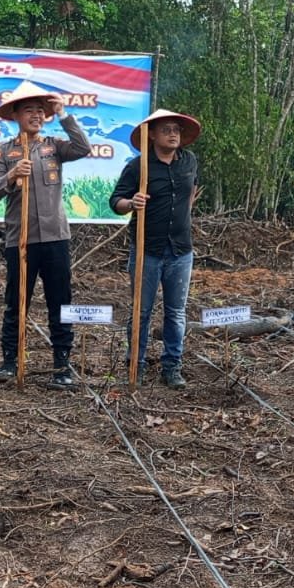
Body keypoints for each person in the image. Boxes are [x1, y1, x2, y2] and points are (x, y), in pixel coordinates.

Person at [0, 81, 91, 389]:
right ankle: (10, 361)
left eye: (40, 111)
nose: (36, 115)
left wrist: (64, 114)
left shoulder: (54, 146)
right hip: (20, 240)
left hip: (56, 237)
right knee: (16, 301)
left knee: (61, 301)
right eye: (28, 110)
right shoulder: (4, 151)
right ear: (15, 115)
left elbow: (83, 148)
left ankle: (62, 363)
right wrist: (11, 175)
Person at [110, 109, 202, 390]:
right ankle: (135, 364)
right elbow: (115, 201)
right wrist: (131, 203)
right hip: (147, 250)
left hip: (181, 251)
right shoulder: (139, 167)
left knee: (176, 312)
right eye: (166, 130)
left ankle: (172, 366)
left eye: (176, 130)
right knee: (142, 311)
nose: (173, 134)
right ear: (152, 135)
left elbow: (190, 193)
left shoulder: (189, 161)